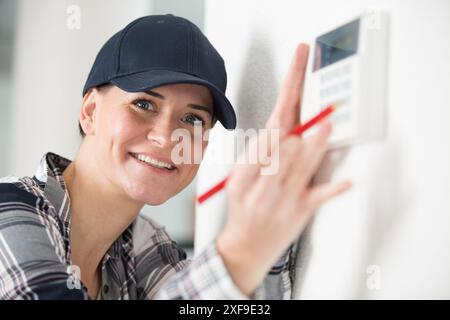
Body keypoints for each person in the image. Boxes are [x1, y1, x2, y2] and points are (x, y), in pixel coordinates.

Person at [0, 14, 351, 299]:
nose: (167, 136)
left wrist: (272, 212)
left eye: (192, 119)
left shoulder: (145, 246)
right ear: (90, 110)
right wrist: (238, 254)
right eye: (144, 104)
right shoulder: (9, 209)